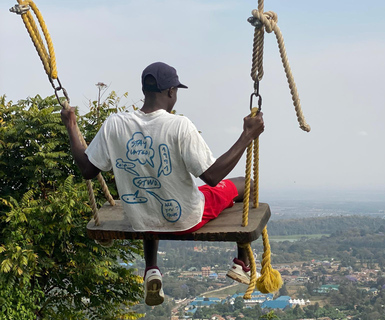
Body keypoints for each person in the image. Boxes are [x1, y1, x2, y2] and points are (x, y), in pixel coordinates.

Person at [61, 62, 265, 306]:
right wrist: (247, 136)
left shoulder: (115, 124)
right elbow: (212, 176)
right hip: (186, 219)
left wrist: (71, 125)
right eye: (176, 92)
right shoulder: (179, 125)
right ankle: (241, 262)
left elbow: (87, 169)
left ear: (145, 90)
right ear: (171, 92)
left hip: (142, 219)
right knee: (246, 184)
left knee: (150, 197)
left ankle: (151, 269)